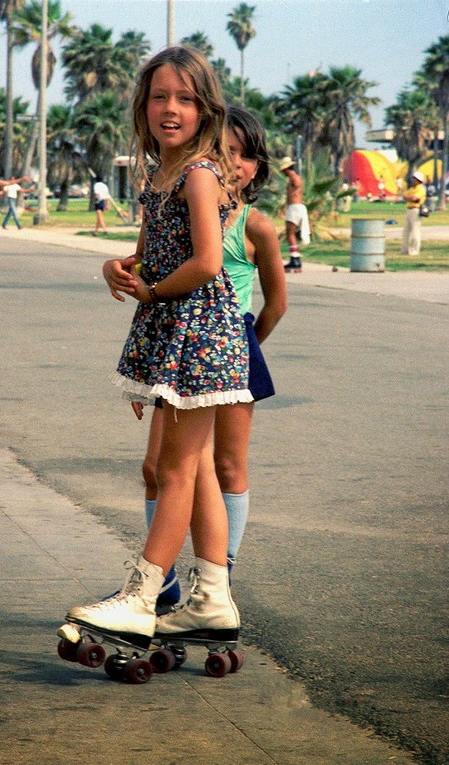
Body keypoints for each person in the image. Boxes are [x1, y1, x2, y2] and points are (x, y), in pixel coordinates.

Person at [66, 47, 253, 651]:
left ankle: (142, 597)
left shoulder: (199, 174)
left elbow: (204, 262)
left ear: (206, 110)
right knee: (193, 468)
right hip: (181, 332)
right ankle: (212, 599)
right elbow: (147, 254)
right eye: (159, 97)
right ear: (143, 106)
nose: (170, 109)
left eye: (185, 99)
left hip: (202, 333)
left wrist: (150, 289)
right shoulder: (160, 176)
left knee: (175, 468)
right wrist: (115, 269)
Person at [103, 106, 288, 607]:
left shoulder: (255, 224)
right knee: (165, 466)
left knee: (221, 465)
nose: (234, 162)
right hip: (182, 346)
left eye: (243, 156)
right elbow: (146, 258)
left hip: (226, 346)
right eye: (225, 151)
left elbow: (275, 303)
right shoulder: (180, 192)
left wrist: (244, 353)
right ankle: (169, 586)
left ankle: (214, 579)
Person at [280, 156, 310, 273]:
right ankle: (295, 258)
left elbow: (296, 188)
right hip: (294, 207)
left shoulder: (294, 178)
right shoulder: (292, 178)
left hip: (295, 207)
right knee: (290, 233)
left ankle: (295, 260)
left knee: (290, 233)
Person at [402, 170, 427, 256]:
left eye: (414, 179)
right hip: (409, 209)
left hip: (415, 210)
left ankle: (414, 249)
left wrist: (409, 197)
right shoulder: (412, 189)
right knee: (406, 230)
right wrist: (409, 197)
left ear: (418, 180)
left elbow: (415, 199)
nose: (412, 180)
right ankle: (405, 249)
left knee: (415, 231)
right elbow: (404, 196)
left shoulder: (421, 189)